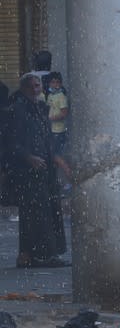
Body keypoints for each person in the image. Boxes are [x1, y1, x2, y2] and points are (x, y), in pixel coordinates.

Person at [6, 74, 70, 268]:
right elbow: (12, 141)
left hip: (45, 169)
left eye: (39, 85)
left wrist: (59, 161)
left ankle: (40, 254)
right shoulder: (17, 110)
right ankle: (39, 255)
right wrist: (29, 157)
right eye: (33, 85)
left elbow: (47, 138)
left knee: (48, 210)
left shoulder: (40, 109)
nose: (37, 89)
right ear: (25, 87)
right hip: (27, 172)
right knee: (35, 212)